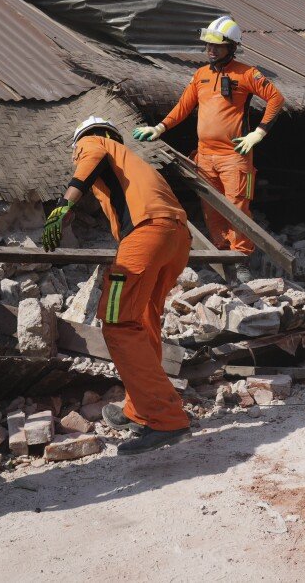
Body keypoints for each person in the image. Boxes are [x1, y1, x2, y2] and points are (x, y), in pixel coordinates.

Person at [43, 116, 193, 455]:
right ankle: (140, 409)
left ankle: (166, 418)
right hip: (176, 237)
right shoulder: (133, 165)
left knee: (116, 323)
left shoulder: (95, 143)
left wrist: (63, 206)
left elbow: (90, 156)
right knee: (143, 319)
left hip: (146, 236)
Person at [133, 16, 284, 283]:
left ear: (232, 47)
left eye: (216, 46)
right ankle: (222, 256)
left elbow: (276, 98)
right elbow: (183, 107)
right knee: (211, 209)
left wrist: (258, 133)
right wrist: (159, 128)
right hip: (205, 155)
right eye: (208, 46)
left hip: (234, 156)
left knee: (238, 207)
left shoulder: (247, 74)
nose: (210, 50)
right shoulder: (200, 75)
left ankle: (241, 260)